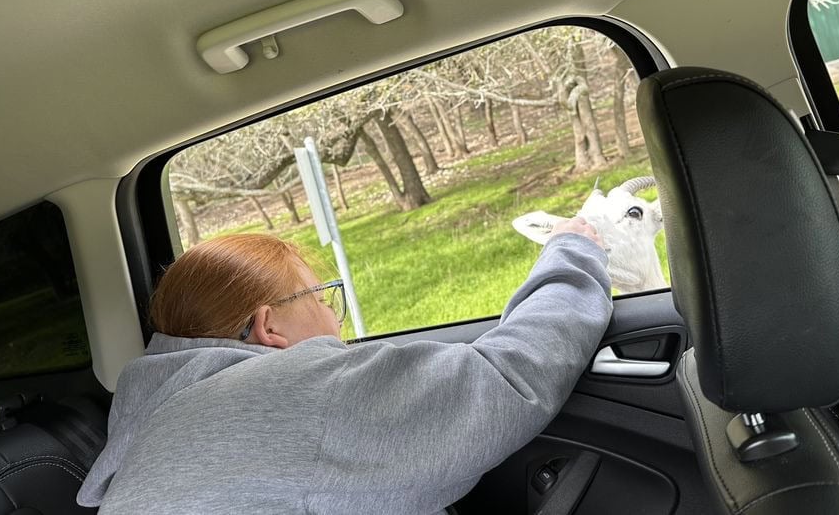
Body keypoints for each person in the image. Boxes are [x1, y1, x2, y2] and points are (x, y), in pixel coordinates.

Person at [78, 219, 612, 514]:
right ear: (270, 327)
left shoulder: (154, 431)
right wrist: (573, 252)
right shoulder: (282, 394)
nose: (338, 324)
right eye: (322, 298)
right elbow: (508, 382)